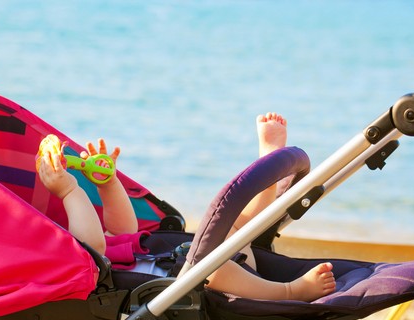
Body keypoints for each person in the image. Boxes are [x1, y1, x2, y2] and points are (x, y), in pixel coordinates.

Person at [37, 113, 336, 302]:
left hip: (206, 264)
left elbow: (125, 229)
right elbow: (91, 246)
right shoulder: (82, 262)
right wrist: (68, 190)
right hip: (203, 284)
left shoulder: (106, 247)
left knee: (235, 226)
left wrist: (107, 183)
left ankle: (268, 169)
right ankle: (288, 292)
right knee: (212, 267)